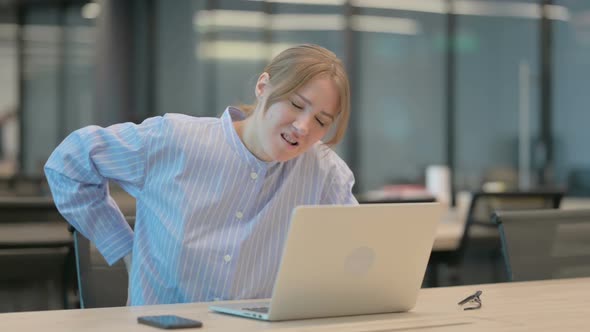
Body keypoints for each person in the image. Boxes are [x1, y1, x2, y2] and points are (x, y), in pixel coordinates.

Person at [44, 44, 357, 306]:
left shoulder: (324, 171)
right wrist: (124, 248)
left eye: (320, 120)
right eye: (296, 104)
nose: (303, 127)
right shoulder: (175, 140)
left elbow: (358, 254)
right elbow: (68, 163)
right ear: (264, 87)